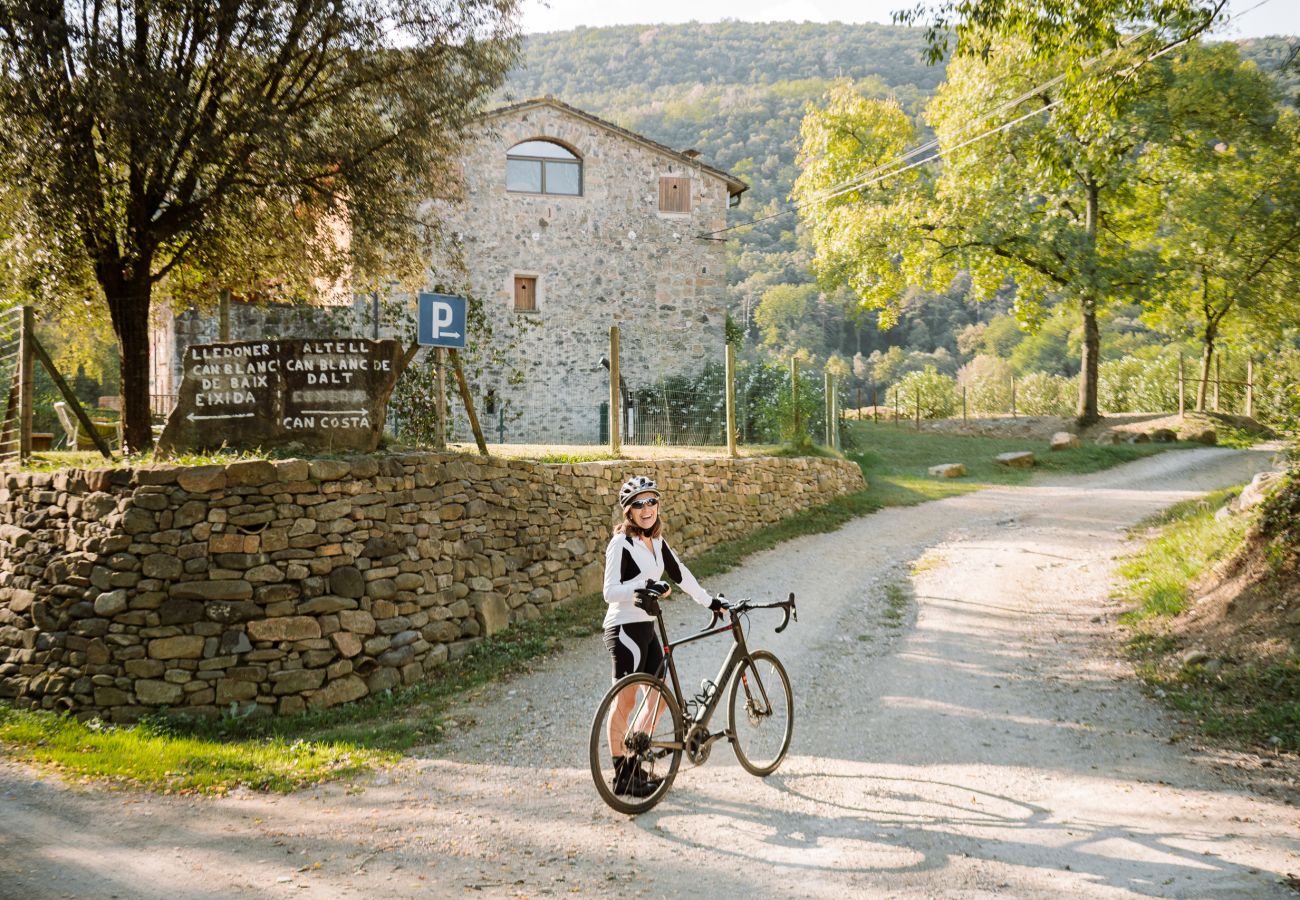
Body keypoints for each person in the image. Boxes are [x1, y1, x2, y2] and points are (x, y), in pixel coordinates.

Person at [601, 474, 723, 797]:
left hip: (647, 626)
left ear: (658, 505)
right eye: (639, 504)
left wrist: (711, 602)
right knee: (626, 700)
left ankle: (634, 759)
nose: (646, 509)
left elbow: (682, 574)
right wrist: (643, 587)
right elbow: (609, 591)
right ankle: (621, 775)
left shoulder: (657, 543)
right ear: (628, 511)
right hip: (624, 628)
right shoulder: (620, 543)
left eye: (651, 501)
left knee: (659, 697)